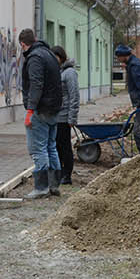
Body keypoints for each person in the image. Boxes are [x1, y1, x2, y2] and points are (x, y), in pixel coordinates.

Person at [19, 28, 64, 199]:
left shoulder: (35, 58)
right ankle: (54, 185)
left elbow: (36, 85)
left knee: (37, 149)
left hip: (41, 109)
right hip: (53, 109)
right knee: (51, 146)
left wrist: (30, 110)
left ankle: (41, 187)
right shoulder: (49, 54)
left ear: (23, 44)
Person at [55, 46, 80, 185]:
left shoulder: (69, 73)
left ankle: (67, 175)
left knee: (65, 146)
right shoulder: (60, 71)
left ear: (60, 56)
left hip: (65, 116)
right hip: (57, 116)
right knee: (57, 146)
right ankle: (59, 173)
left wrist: (72, 117)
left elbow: (74, 96)